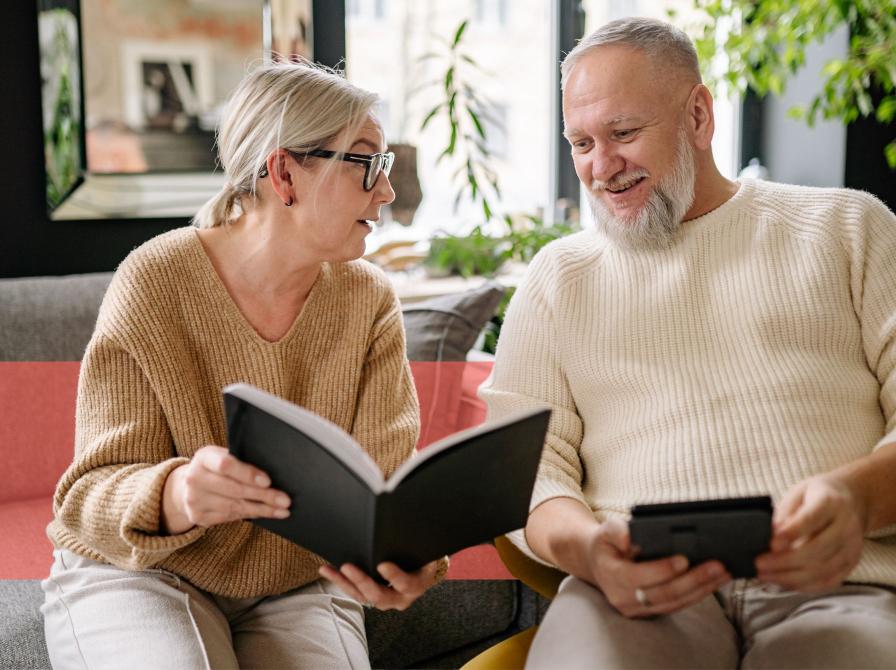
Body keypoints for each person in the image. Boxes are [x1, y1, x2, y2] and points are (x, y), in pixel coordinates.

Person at [480, 16, 896, 669]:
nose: (601, 166)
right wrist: (587, 547)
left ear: (698, 116)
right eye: (581, 141)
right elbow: (524, 473)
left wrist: (856, 498)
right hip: (632, 597)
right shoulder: (558, 279)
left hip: (839, 587)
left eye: (623, 133)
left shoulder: (849, 229)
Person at [41, 60, 446, 670]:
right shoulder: (155, 281)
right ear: (285, 173)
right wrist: (177, 493)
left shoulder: (368, 300)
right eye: (368, 164)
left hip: (294, 581)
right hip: (139, 569)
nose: (387, 191)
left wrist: (411, 558)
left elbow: (383, 488)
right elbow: (86, 496)